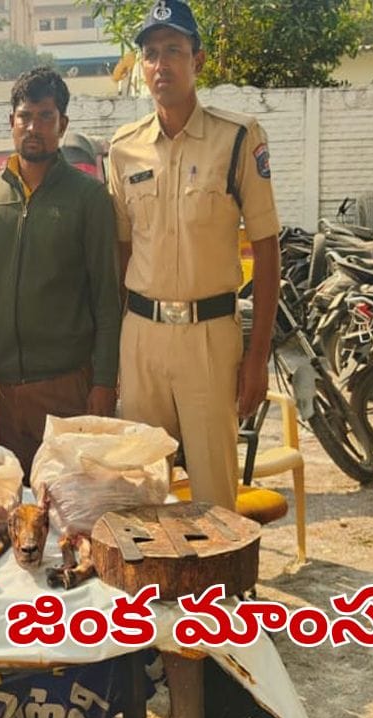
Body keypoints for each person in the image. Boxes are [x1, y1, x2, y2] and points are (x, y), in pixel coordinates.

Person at [107, 0, 281, 511]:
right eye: (151, 54)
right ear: (142, 67)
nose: (161, 64)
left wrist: (257, 357)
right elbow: (122, 251)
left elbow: (268, 251)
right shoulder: (123, 148)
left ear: (197, 60)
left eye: (174, 51)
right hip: (142, 336)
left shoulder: (238, 138)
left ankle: (222, 568)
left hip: (210, 338)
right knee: (143, 493)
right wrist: (118, 350)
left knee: (215, 496)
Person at [0, 67, 121, 481]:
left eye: (45, 116)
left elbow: (107, 297)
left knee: (67, 500)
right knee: (13, 500)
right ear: (11, 122)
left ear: (63, 124)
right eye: (24, 116)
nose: (33, 127)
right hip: (4, 389)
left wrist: (104, 382)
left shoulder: (88, 197)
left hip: (66, 386)